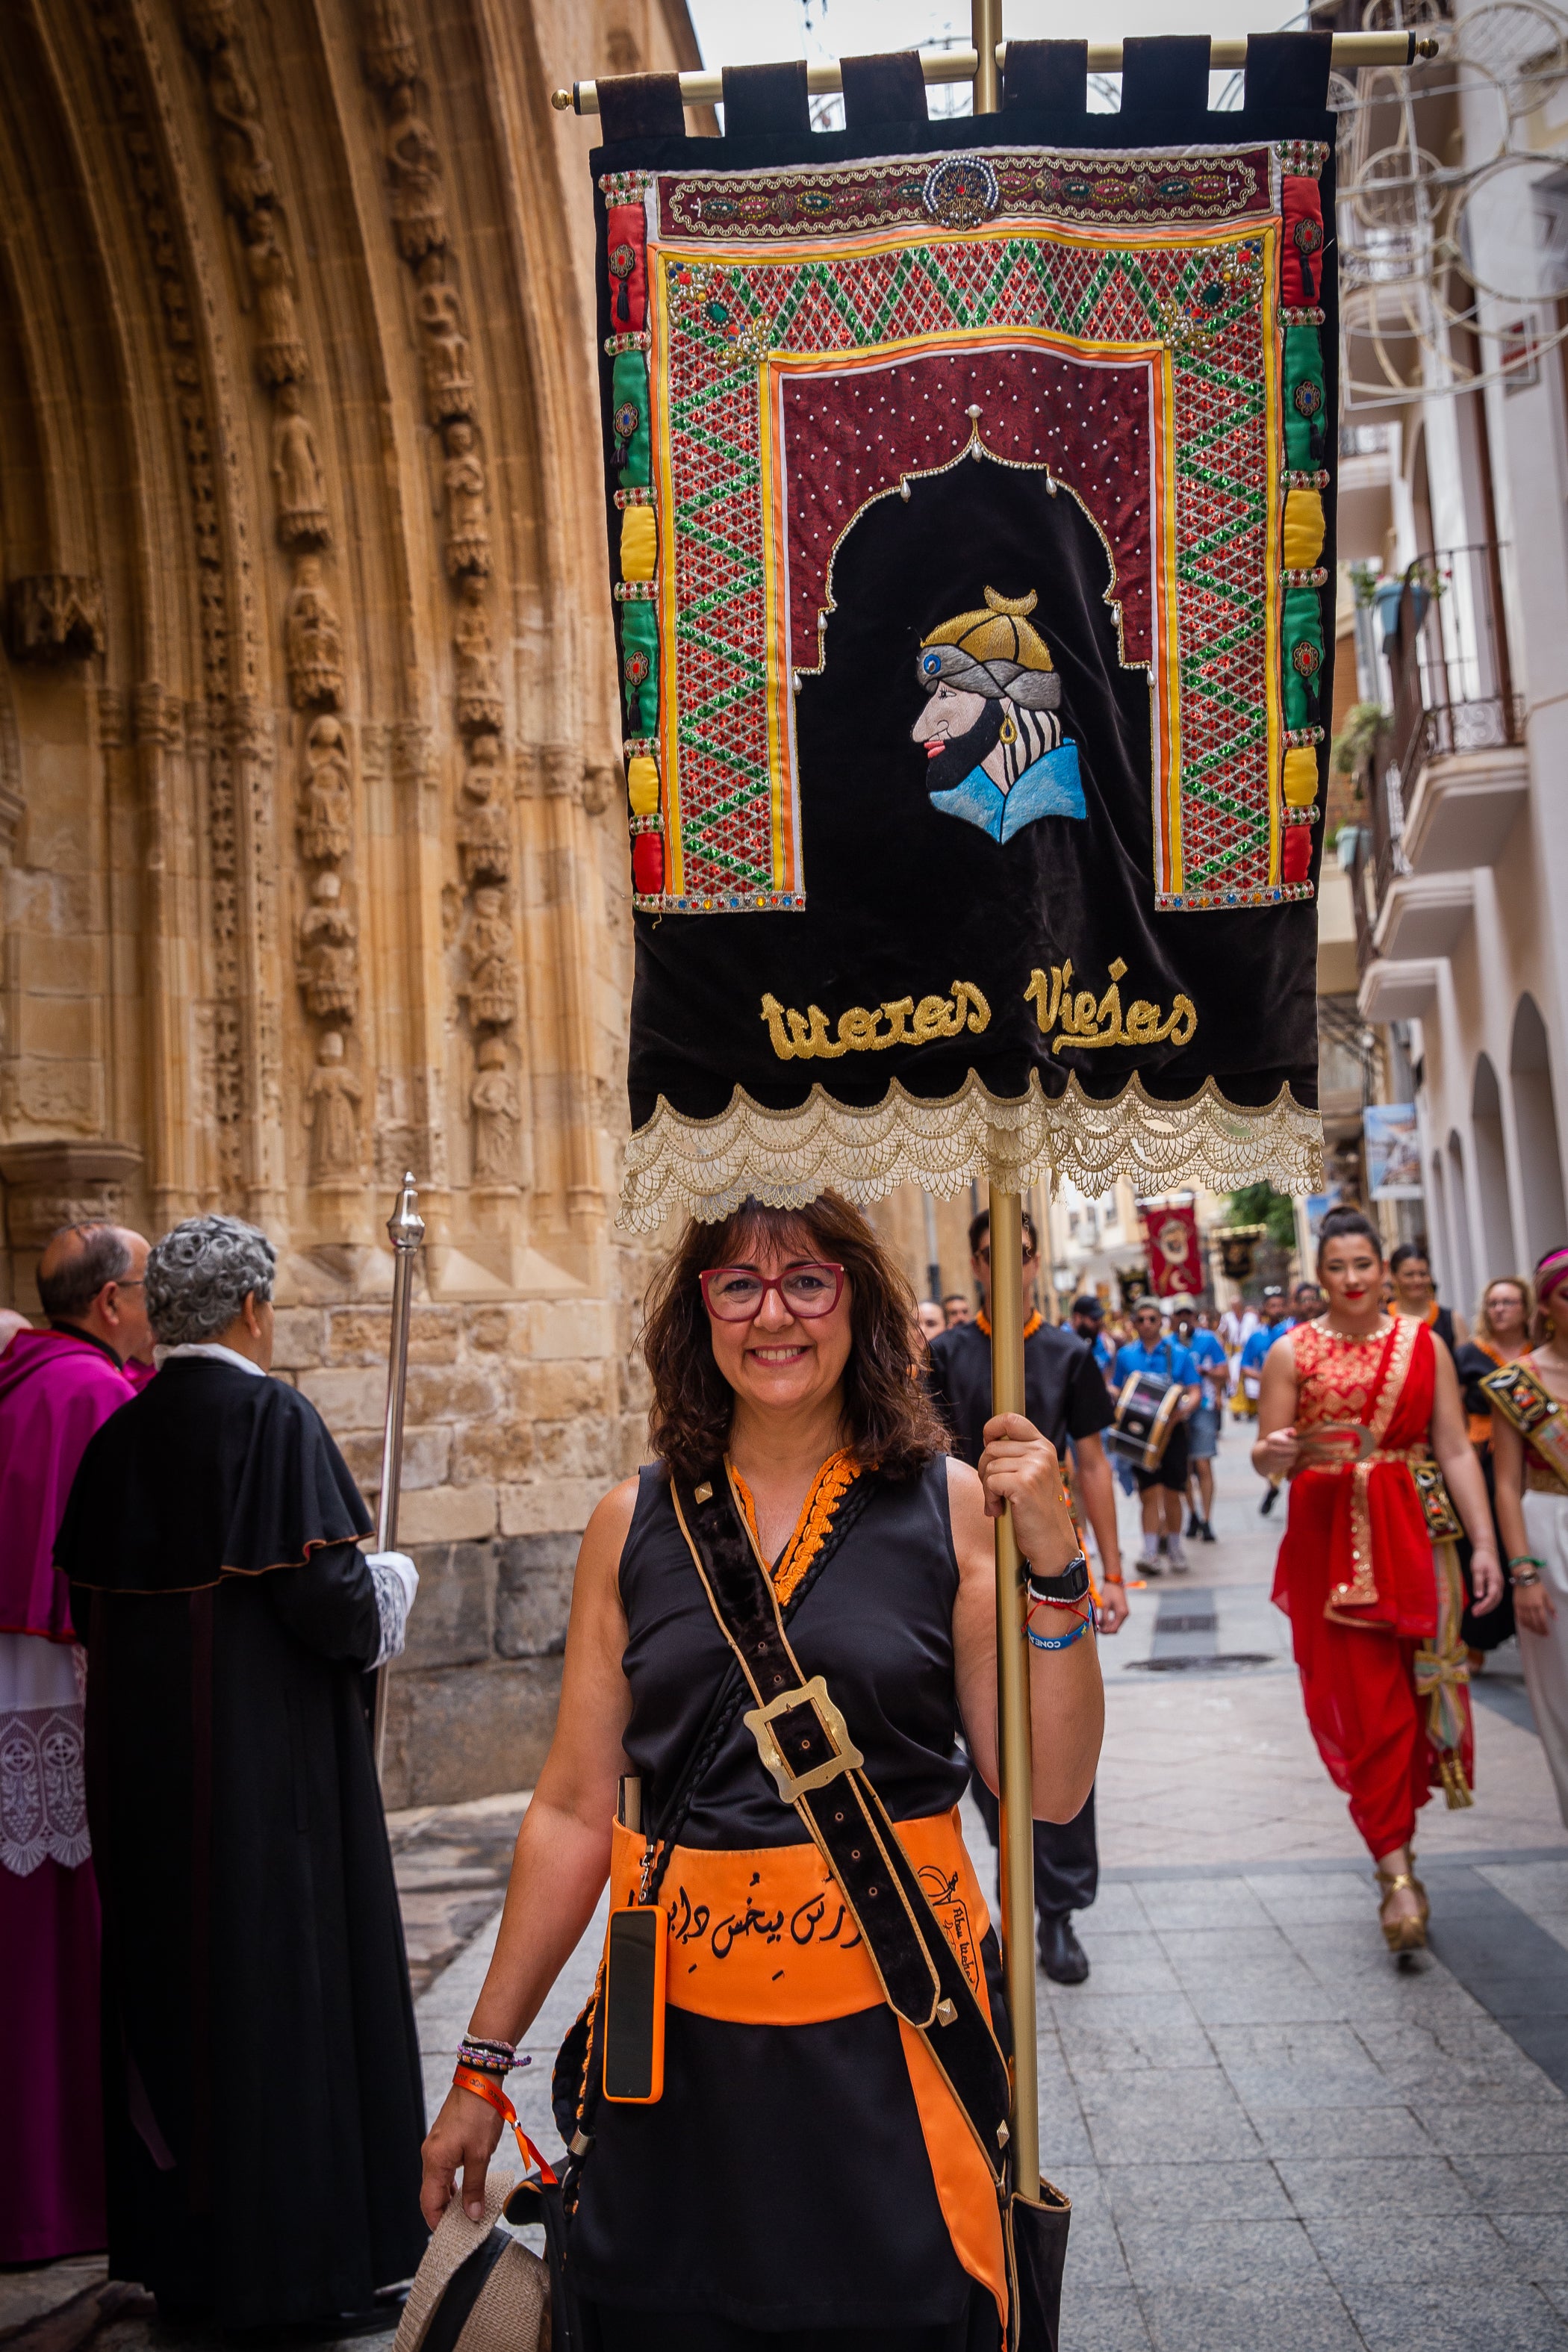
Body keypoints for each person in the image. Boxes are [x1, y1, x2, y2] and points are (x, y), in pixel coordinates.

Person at [418, 1192, 1104, 2349]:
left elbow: (1051, 1788)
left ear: (859, 1303)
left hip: (896, 2037)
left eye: (807, 1282)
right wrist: (480, 2070)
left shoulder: (951, 1506)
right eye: (738, 1283)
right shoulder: (625, 1521)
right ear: (700, 1312)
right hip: (674, 2050)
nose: (772, 1314)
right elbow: (578, 1807)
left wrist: (1056, 1567)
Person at [54, 1214, 428, 2336]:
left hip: (150, 1790)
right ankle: (305, 2268)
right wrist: (390, 1585)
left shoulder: (117, 1437)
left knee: (178, 2005)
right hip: (272, 1796)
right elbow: (327, 1603)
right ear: (254, 1309)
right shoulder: (272, 1416)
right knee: (284, 2001)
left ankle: (194, 2263)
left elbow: (89, 1606)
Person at [1255, 1208, 1502, 1953]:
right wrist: (1276, 1451)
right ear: (1319, 1274)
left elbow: (1455, 1448)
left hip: (1412, 1533)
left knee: (1414, 1689)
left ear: (1385, 1271)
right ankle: (1394, 1871)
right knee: (1369, 1709)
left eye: (1365, 1265)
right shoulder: (1289, 1352)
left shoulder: (1424, 1345)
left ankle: (1402, 1844)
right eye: (1338, 1267)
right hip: (1328, 1544)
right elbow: (1266, 1458)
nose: (1354, 1279)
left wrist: (1485, 1543)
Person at [0, 1223, 150, 2264]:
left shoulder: (23, 1381)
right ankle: (69, 2199)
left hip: (22, 1696)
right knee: (68, 1957)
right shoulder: (91, 1396)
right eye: (146, 1289)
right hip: (68, 1697)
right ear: (107, 1301)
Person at [930, 1210, 1127, 1985]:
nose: (1003, 1269)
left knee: (1062, 1739)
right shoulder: (944, 1355)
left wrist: (1107, 1569)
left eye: (1016, 1255)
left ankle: (1059, 1912)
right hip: (969, 1577)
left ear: (1035, 1260)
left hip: (1051, 1574)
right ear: (974, 1265)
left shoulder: (1068, 1352)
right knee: (990, 1753)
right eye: (988, 1257)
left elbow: (1094, 1462)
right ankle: (1014, 1896)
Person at [1486, 1248, 1568, 1830]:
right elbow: (1507, 1485)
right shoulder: (1519, 1385)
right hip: (1549, 1530)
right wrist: (1524, 1573)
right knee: (1561, 1696)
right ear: (1547, 1306)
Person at [1454, 1276, 1534, 1664]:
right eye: (1493, 1303)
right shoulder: (1469, 1354)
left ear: (1527, 1308)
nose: (1500, 1309)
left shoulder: (1543, 1353)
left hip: (1539, 1462)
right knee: (1491, 1545)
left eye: (1509, 1302)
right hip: (1485, 1461)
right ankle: (1478, 1637)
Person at [1113, 1298, 1201, 1572]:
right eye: (1141, 1319)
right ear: (1134, 1323)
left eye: (1153, 1319)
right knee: (1149, 1494)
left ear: (1162, 1321)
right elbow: (1116, 1388)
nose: (1147, 1324)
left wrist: (1180, 1413)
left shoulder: (1179, 1353)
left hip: (1172, 1433)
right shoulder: (1126, 1355)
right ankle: (1150, 1552)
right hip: (1141, 1435)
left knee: (1174, 1492)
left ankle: (1174, 1547)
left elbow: (1194, 1390)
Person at [1172, 1298, 1225, 1543]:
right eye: (1179, 1314)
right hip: (1176, 1412)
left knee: (1203, 1463)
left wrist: (1206, 1373)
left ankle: (1207, 1518)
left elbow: (1224, 1373)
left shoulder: (1208, 1340)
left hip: (1202, 1407)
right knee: (1185, 1469)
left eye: (1188, 1314)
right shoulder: (1168, 1345)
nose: (1184, 1319)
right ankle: (1192, 1514)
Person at [1390, 1242, 1468, 1352]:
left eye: (1423, 1274)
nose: (1417, 1280)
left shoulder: (1452, 1320)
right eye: (1409, 1275)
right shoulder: (1384, 1320)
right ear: (1394, 1277)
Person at [1071, 1292, 1117, 1391]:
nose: (1098, 1322)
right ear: (1078, 1318)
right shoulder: (1064, 1343)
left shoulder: (1099, 1340)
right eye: (1094, 1318)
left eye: (1100, 1318)